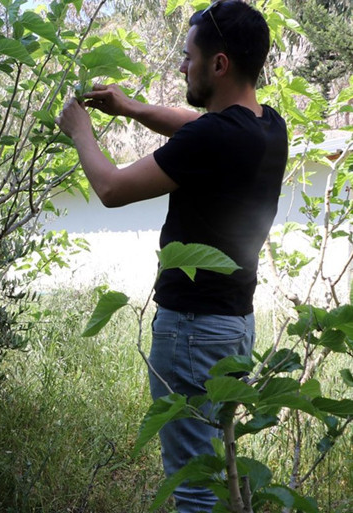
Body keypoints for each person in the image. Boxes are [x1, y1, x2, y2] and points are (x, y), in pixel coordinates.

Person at [56, 1, 287, 512]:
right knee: (219, 471)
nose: (182, 67)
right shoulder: (268, 126)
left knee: (193, 490)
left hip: (192, 332)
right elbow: (193, 125)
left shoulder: (213, 137)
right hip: (235, 328)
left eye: (188, 57)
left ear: (219, 64)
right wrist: (131, 108)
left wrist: (81, 132)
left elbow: (112, 188)